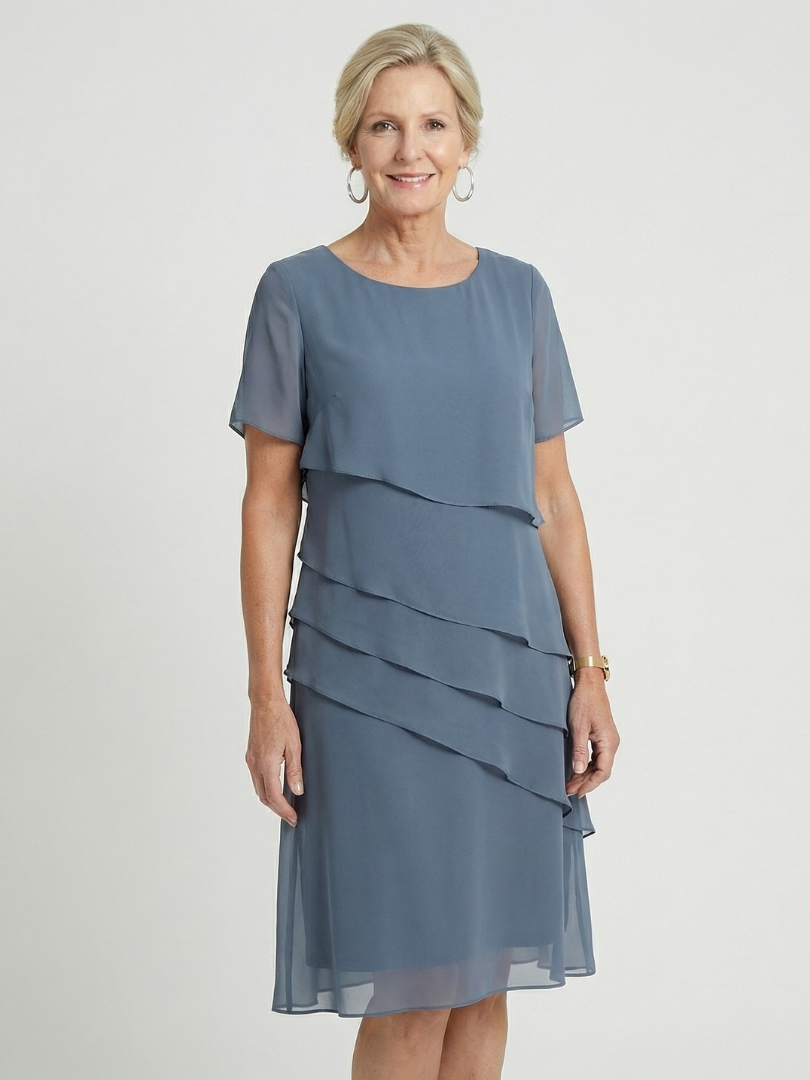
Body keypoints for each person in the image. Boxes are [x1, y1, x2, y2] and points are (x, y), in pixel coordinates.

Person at [229, 22, 620, 1080]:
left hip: (508, 678)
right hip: (363, 685)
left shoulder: (520, 294)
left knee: (485, 983)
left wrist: (590, 672)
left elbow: (555, 497)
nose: (412, 149)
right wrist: (266, 697)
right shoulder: (296, 294)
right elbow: (268, 504)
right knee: (409, 993)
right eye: (385, 126)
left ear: (467, 141)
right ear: (352, 144)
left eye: (435, 124)